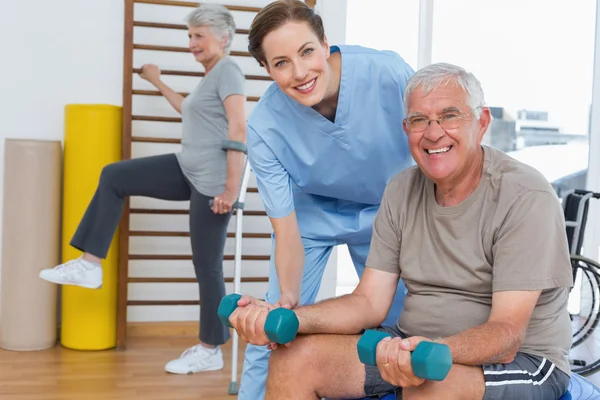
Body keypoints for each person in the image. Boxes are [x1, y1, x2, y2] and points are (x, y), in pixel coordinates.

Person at [229, 62, 574, 400]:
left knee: (432, 384)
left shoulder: (524, 195)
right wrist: (287, 317)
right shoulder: (400, 190)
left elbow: (507, 335)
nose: (434, 132)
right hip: (412, 346)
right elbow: (367, 302)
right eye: (419, 120)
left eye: (450, 116)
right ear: (406, 128)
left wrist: (431, 352)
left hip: (523, 360)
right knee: (294, 358)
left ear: (482, 122)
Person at [39, 3, 247, 375]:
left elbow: (238, 128)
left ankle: (210, 348)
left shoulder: (229, 70)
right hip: (187, 168)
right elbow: (187, 108)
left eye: (199, 36)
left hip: (213, 185)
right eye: (190, 36)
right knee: (115, 176)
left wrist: (230, 190)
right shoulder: (211, 75)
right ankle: (90, 265)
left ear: (224, 38)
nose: (192, 43)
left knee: (208, 267)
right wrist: (157, 81)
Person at [238, 0, 415, 398]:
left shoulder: (387, 73)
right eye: (281, 63)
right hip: (311, 214)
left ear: (325, 44)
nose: (300, 73)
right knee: (274, 323)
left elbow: (433, 133)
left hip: (386, 212)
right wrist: (286, 299)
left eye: (306, 52)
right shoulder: (265, 127)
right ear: (266, 69)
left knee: (401, 324)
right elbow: (287, 235)